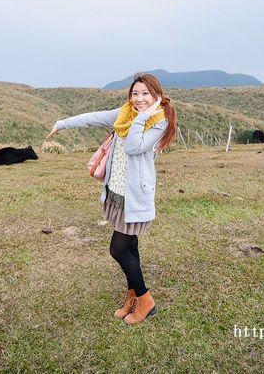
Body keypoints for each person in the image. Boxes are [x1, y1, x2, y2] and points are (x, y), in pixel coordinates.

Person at [46, 73, 177, 325]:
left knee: (117, 249)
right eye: (135, 93)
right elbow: (94, 118)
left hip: (135, 197)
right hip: (116, 191)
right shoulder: (124, 113)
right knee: (130, 247)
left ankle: (146, 301)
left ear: (156, 96)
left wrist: (142, 116)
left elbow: (133, 147)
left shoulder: (157, 122)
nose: (139, 99)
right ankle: (133, 297)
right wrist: (62, 123)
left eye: (145, 94)